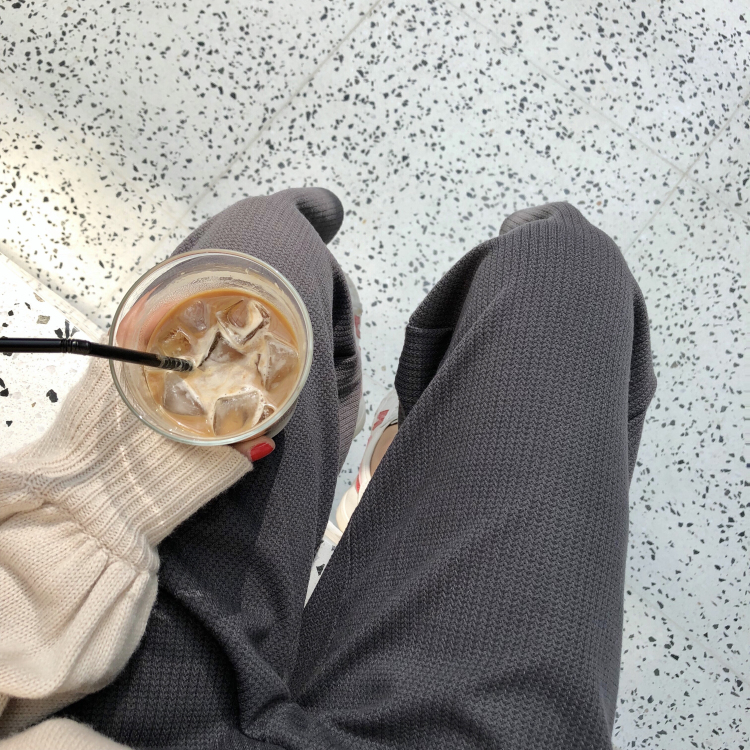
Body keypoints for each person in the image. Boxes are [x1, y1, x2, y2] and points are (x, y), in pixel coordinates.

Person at [0, 189, 656, 749]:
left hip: (73, 687)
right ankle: (407, 484)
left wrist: (98, 517)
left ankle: (386, 470)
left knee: (266, 241)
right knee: (568, 270)